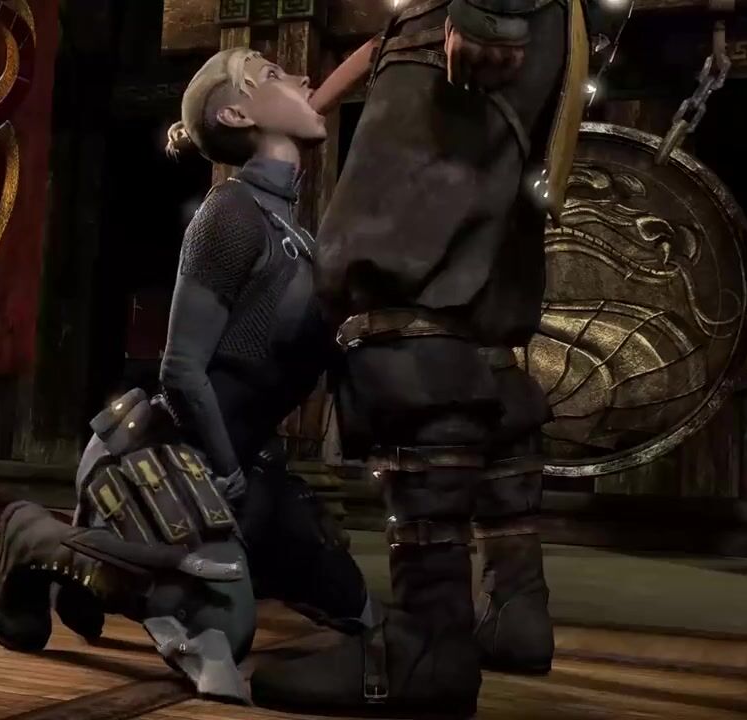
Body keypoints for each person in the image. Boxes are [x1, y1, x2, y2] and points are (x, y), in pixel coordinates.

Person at [0, 46, 375, 702]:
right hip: (172, 457)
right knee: (222, 639)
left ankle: (139, 567)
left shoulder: (295, 234)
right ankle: (37, 537)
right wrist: (224, 472)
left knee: (356, 607)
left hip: (250, 467)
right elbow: (181, 367)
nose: (303, 78)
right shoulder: (229, 214)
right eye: (274, 75)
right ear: (237, 114)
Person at [248, 0, 593, 716]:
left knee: (388, 277)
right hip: (491, 26)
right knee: (477, 309)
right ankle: (514, 601)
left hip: (463, 22)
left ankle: (428, 638)